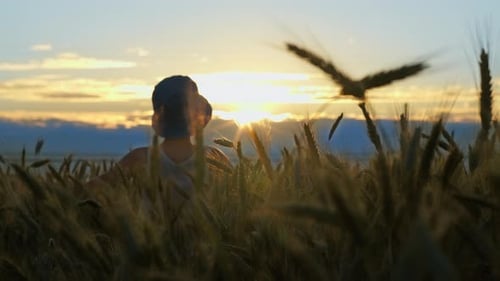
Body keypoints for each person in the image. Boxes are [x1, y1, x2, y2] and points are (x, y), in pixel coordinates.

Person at [87, 75, 231, 209]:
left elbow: (92, 188)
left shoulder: (140, 157)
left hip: (147, 235)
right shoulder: (213, 157)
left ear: (160, 118)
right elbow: (240, 194)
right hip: (201, 236)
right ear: (199, 117)